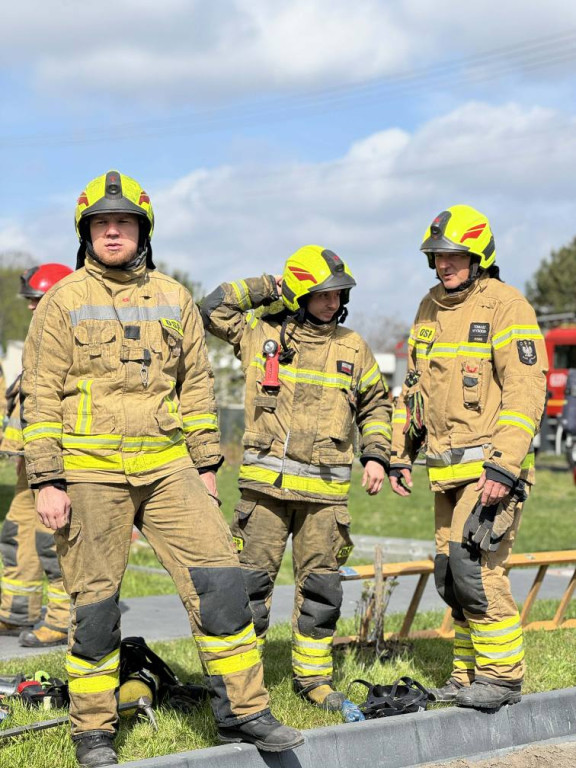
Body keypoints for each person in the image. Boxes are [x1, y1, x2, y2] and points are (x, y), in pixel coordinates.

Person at [20, 171, 303, 768]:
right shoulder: (61, 301)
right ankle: (92, 731)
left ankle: (245, 713)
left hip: (169, 465)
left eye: (123, 222)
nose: (113, 231)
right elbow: (40, 396)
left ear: (143, 229)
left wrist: (204, 468)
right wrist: (47, 479)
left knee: (223, 584)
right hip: (89, 467)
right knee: (94, 605)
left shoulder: (175, 299)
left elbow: (196, 391)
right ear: (86, 233)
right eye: (102, 224)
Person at [200, 245, 392, 711]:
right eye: (322, 293)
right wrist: (272, 286)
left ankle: (313, 680)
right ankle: (244, 683)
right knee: (249, 588)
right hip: (263, 493)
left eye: (338, 293)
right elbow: (211, 308)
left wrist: (377, 456)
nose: (332, 301)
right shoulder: (259, 333)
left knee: (322, 592)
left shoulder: (353, 346)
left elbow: (376, 405)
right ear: (300, 294)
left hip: (325, 497)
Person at [389, 205, 547, 710]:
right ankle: (465, 674)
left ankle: (502, 677)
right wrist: (398, 453)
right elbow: (414, 389)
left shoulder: (506, 306)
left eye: (455, 256)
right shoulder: (427, 308)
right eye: (437, 256)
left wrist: (504, 466)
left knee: (475, 569)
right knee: (449, 575)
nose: (444, 265)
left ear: (479, 257)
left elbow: (526, 391)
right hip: (444, 473)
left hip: (489, 474)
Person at [0, 264, 73, 646]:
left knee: (54, 542)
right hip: (27, 465)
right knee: (15, 535)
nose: (31, 308)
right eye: (29, 301)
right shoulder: (38, 339)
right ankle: (15, 614)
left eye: (37, 300)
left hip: (58, 466)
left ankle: (63, 622)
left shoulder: (72, 340)